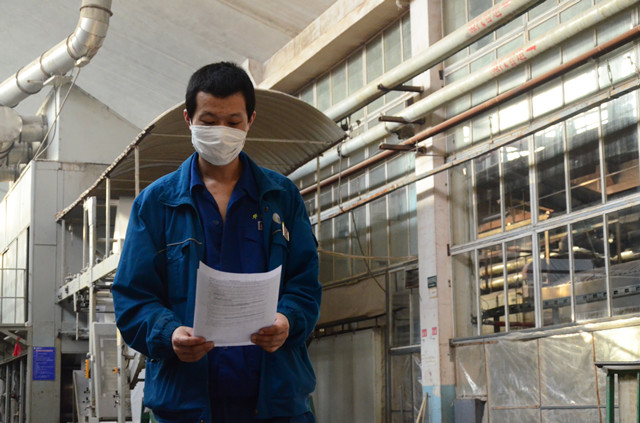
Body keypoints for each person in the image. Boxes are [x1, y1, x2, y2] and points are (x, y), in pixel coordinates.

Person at [112, 62, 321, 423]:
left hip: (276, 405)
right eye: (209, 122)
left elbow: (305, 284)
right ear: (188, 119)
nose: (221, 132)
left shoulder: (281, 197)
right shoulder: (157, 204)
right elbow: (133, 297)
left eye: (233, 122)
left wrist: (288, 320)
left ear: (250, 120)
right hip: (186, 406)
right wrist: (169, 334)